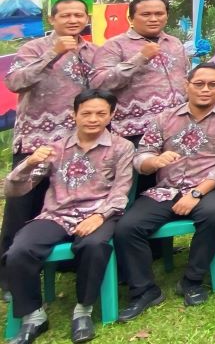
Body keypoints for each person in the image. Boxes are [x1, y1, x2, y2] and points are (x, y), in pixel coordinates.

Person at [115, 62, 215, 319]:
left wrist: (196, 194)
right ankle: (144, 290)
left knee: (214, 216)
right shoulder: (165, 118)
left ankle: (192, 280)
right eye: (199, 84)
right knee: (127, 227)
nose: (206, 90)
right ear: (186, 85)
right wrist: (153, 162)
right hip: (166, 189)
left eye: (213, 85)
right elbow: (143, 154)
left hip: (212, 187)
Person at [3, 90, 133, 344]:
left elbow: (121, 190)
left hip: (99, 213)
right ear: (74, 114)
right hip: (56, 214)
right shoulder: (54, 148)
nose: (93, 119)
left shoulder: (122, 147)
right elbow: (14, 189)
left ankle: (83, 310)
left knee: (94, 245)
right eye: (86, 113)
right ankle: (33, 315)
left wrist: (100, 215)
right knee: (20, 249)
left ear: (112, 115)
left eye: (100, 113)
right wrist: (28, 164)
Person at [1, 0, 95, 290]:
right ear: (52, 20)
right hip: (37, 141)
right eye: (65, 15)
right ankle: (8, 274)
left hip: (78, 143)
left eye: (78, 15)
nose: (72, 20)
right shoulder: (34, 48)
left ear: (86, 18)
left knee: (69, 202)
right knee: (23, 205)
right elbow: (15, 82)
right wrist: (52, 54)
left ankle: (65, 262)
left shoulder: (93, 51)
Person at [90, 0, 188, 144]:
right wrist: (140, 58)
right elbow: (99, 84)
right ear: (131, 18)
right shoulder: (115, 45)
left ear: (167, 16)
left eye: (159, 14)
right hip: (136, 131)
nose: (153, 19)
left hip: (176, 127)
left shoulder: (174, 43)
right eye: (146, 14)